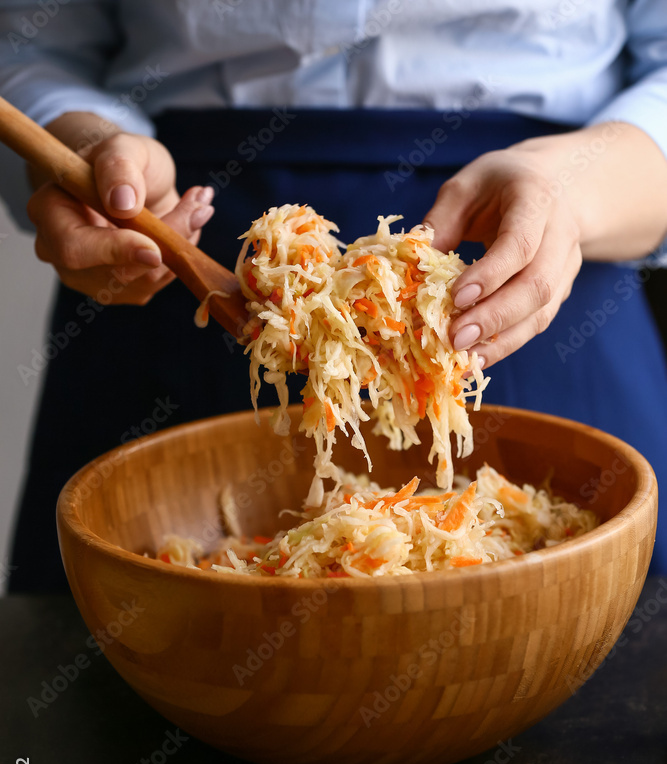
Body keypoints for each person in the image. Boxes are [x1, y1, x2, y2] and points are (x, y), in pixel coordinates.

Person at [1, 0, 666, 590]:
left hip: (552, 254)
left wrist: (570, 191)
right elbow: (31, 42)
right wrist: (85, 141)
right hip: (172, 237)